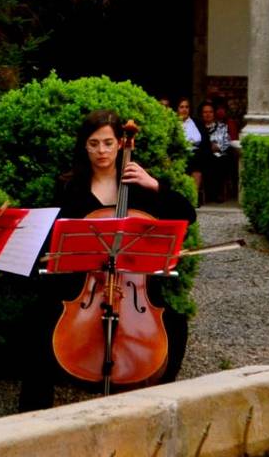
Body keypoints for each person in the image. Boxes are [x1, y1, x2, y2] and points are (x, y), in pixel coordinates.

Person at [17, 109, 197, 412]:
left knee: (176, 324)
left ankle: (158, 404)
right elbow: (54, 237)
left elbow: (186, 215)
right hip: (82, 283)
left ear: (120, 145)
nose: (101, 151)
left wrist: (155, 185)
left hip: (133, 286)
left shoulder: (139, 186)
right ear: (84, 146)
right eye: (93, 143)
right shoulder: (69, 187)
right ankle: (33, 414)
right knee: (38, 319)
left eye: (108, 143)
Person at [198, 99, 239, 202]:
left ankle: (217, 193)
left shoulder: (223, 127)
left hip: (219, 156)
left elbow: (226, 143)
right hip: (203, 156)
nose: (208, 114)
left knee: (220, 160)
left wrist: (216, 147)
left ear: (214, 113)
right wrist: (208, 147)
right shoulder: (197, 127)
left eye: (210, 112)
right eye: (205, 112)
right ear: (201, 114)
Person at [176, 97, 208, 196]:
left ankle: (194, 195)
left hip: (196, 153)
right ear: (177, 109)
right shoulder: (173, 122)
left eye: (187, 107)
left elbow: (204, 141)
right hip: (179, 153)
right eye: (182, 107)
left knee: (197, 160)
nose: (184, 109)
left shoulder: (198, 123)